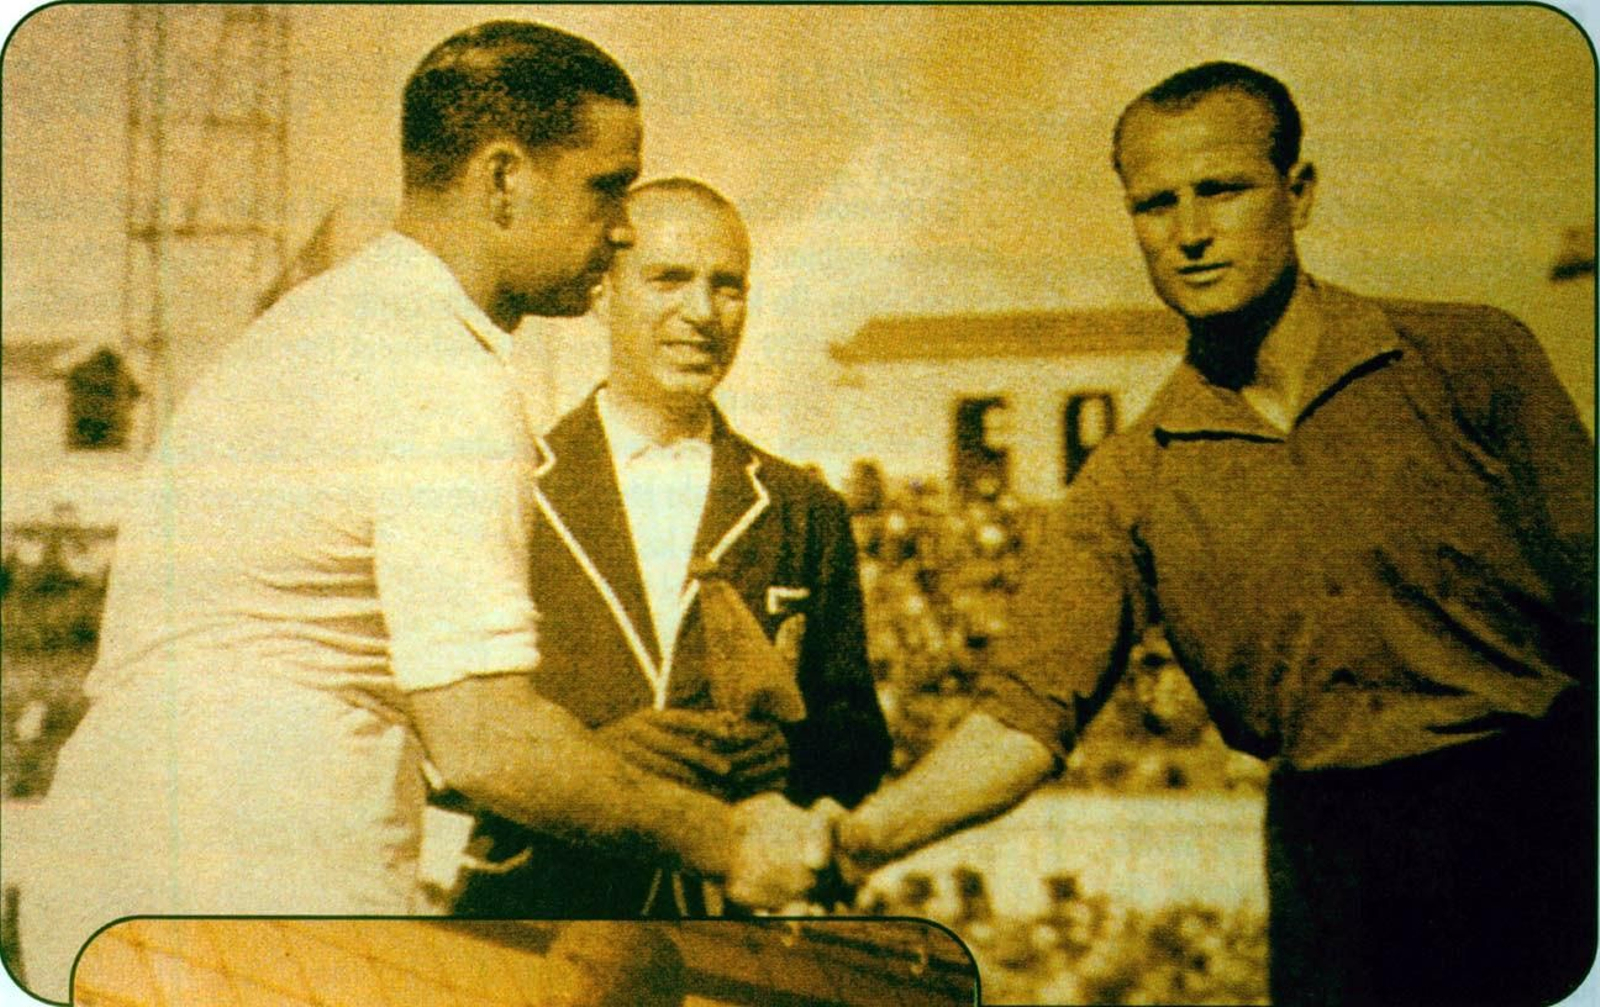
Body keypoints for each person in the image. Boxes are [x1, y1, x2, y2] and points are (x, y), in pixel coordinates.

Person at [19, 22, 826, 1002]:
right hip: (255, 904)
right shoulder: (440, 370)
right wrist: (730, 835)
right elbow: (485, 742)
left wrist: (586, 762)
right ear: (502, 180)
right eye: (607, 187)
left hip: (114, 886)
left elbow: (313, 666)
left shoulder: (323, 319)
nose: (622, 226)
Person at [833, 61, 1595, 1007]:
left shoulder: (1472, 359)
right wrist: (854, 839)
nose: (1191, 233)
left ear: (1298, 193)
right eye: (1156, 205)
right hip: (1334, 864)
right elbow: (1019, 721)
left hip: (1544, 815)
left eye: (1223, 190)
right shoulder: (1131, 475)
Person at [449, 178, 892, 918]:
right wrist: (589, 763)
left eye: (728, 287)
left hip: (729, 924)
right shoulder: (510, 485)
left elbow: (858, 740)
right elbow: (446, 735)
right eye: (668, 279)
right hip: (539, 914)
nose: (701, 313)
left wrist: (792, 755)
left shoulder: (803, 508)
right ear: (602, 290)